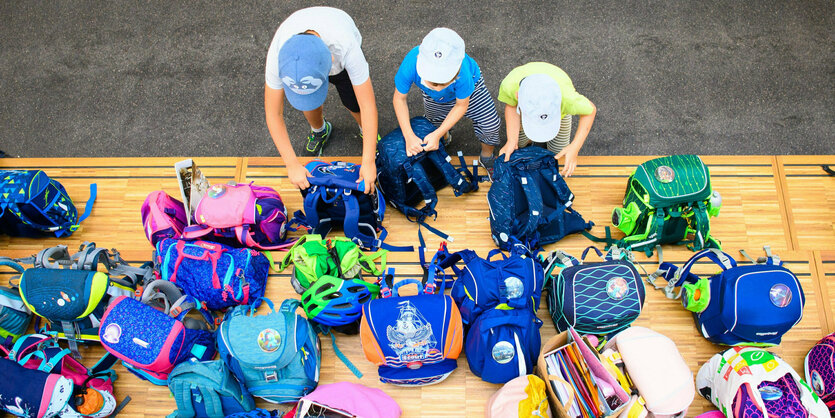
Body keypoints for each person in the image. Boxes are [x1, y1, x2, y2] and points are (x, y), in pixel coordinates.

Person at [264, 6, 378, 193]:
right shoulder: (279, 56)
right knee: (310, 103)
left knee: (354, 103)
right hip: (309, 51)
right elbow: (273, 112)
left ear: (331, 60)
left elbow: (367, 105)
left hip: (339, 44)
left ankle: (365, 132)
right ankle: (320, 130)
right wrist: (291, 164)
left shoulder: (346, 47)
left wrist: (369, 160)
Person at [392, 27, 501, 172]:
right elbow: (399, 99)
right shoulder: (410, 63)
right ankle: (443, 137)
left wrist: (436, 134)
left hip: (471, 92)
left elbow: (462, 105)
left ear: (456, 71)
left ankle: (487, 157)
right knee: (435, 124)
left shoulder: (463, 74)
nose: (438, 88)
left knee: (490, 125)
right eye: (432, 83)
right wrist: (409, 135)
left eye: (443, 82)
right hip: (434, 99)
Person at [497, 62, 597, 177]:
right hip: (526, 111)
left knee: (558, 150)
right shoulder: (510, 85)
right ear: (518, 96)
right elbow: (512, 105)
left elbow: (590, 111)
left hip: (561, 114)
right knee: (519, 142)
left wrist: (575, 147)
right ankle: (527, 142)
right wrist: (512, 140)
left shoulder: (568, 99)